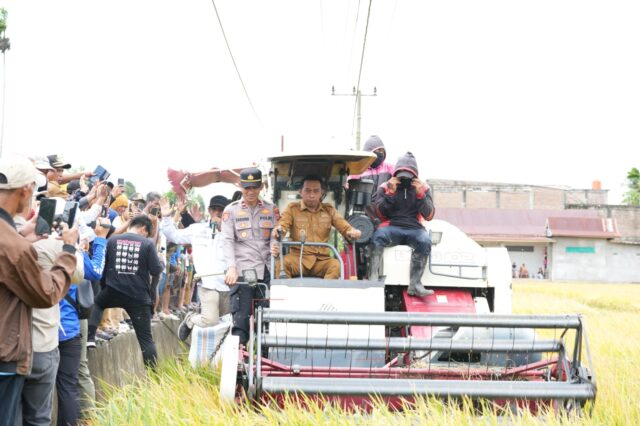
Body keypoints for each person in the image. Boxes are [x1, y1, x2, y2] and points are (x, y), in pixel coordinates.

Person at [0, 156, 78, 425]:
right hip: (6, 356)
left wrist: (22, 236)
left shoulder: (13, 240)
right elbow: (46, 294)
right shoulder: (14, 246)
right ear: (26, 190)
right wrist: (68, 251)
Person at [87, 215, 163, 367]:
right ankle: (154, 375)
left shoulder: (113, 240)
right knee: (146, 339)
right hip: (138, 296)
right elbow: (156, 271)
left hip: (113, 290)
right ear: (143, 228)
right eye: (147, 234)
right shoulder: (147, 244)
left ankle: (90, 337)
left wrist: (104, 286)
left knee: (98, 303)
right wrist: (160, 263)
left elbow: (104, 267)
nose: (146, 236)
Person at [159, 195, 232, 341]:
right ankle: (190, 319)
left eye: (221, 210)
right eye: (215, 209)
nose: (217, 213)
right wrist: (166, 218)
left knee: (226, 323)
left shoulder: (232, 232)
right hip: (208, 283)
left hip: (228, 284)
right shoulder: (197, 229)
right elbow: (173, 236)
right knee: (210, 320)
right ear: (210, 211)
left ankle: (219, 352)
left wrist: (222, 228)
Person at [221, 167, 278, 345]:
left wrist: (276, 245)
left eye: (254, 187)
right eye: (247, 188)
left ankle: (265, 357)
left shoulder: (272, 209)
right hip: (244, 270)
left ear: (261, 186)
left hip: (266, 270)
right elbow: (227, 241)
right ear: (240, 186)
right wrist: (231, 268)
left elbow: (277, 235)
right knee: (242, 318)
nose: (251, 191)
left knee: (267, 320)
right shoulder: (231, 211)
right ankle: (240, 357)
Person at [370, 152, 435, 297]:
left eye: (408, 176)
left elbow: (429, 215)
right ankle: (373, 279)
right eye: (401, 175)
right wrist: (390, 194)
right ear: (396, 174)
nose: (405, 179)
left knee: (425, 240)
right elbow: (379, 213)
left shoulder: (424, 187)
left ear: (415, 175)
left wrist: (420, 195)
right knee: (378, 236)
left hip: (415, 227)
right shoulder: (386, 186)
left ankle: (415, 284)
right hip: (391, 226)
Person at [271, 175, 361, 279]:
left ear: (322, 192)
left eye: (316, 191)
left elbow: (344, 227)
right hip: (298, 258)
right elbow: (282, 225)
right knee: (281, 264)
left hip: (321, 260)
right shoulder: (292, 209)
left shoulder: (329, 210)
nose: (312, 195)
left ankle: (325, 290)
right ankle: (286, 290)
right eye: (308, 191)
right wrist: (278, 231)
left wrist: (352, 232)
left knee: (336, 265)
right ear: (300, 192)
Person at [348, 135, 394, 202]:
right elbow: (350, 187)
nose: (381, 153)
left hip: (384, 206)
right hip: (364, 206)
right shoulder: (359, 169)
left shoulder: (389, 168)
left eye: (382, 151)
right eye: (378, 150)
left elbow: (398, 177)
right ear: (369, 152)